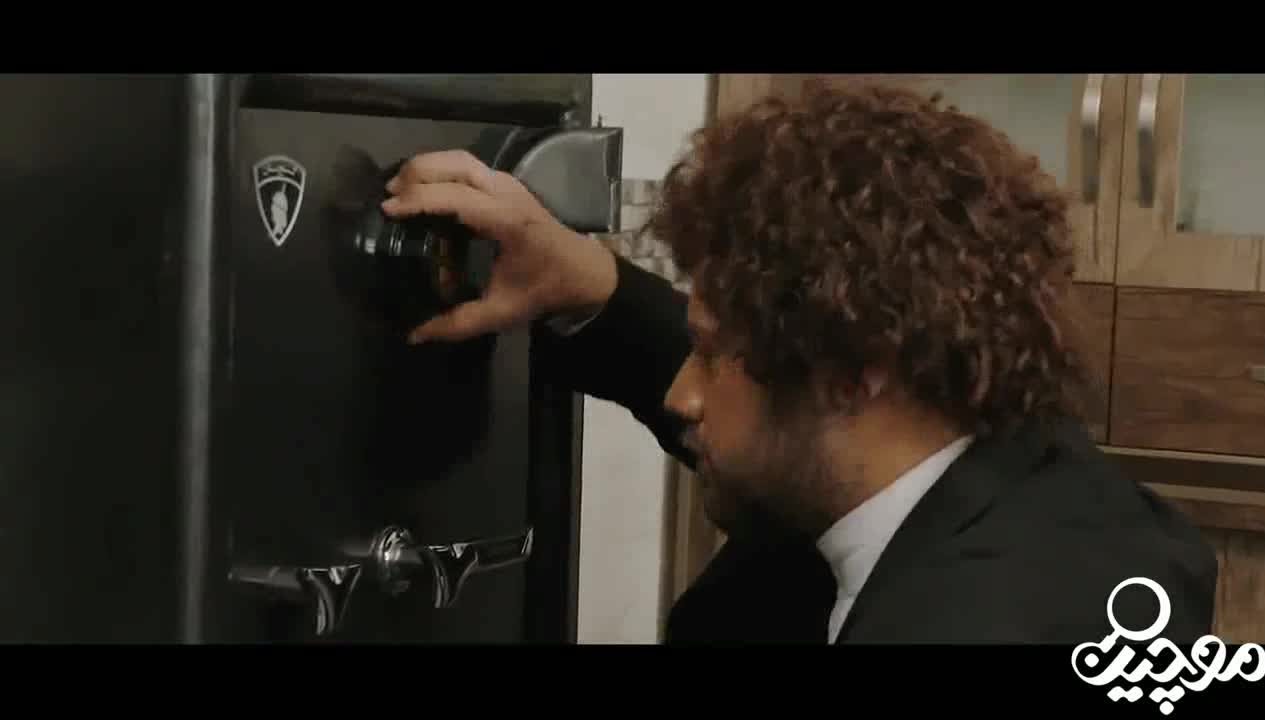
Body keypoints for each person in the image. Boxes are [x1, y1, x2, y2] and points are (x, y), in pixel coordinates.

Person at [380, 81, 1218, 644]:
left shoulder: (964, 621)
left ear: (853, 374)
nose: (684, 394)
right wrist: (590, 282)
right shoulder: (1020, 463)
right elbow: (766, 413)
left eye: (713, 355)